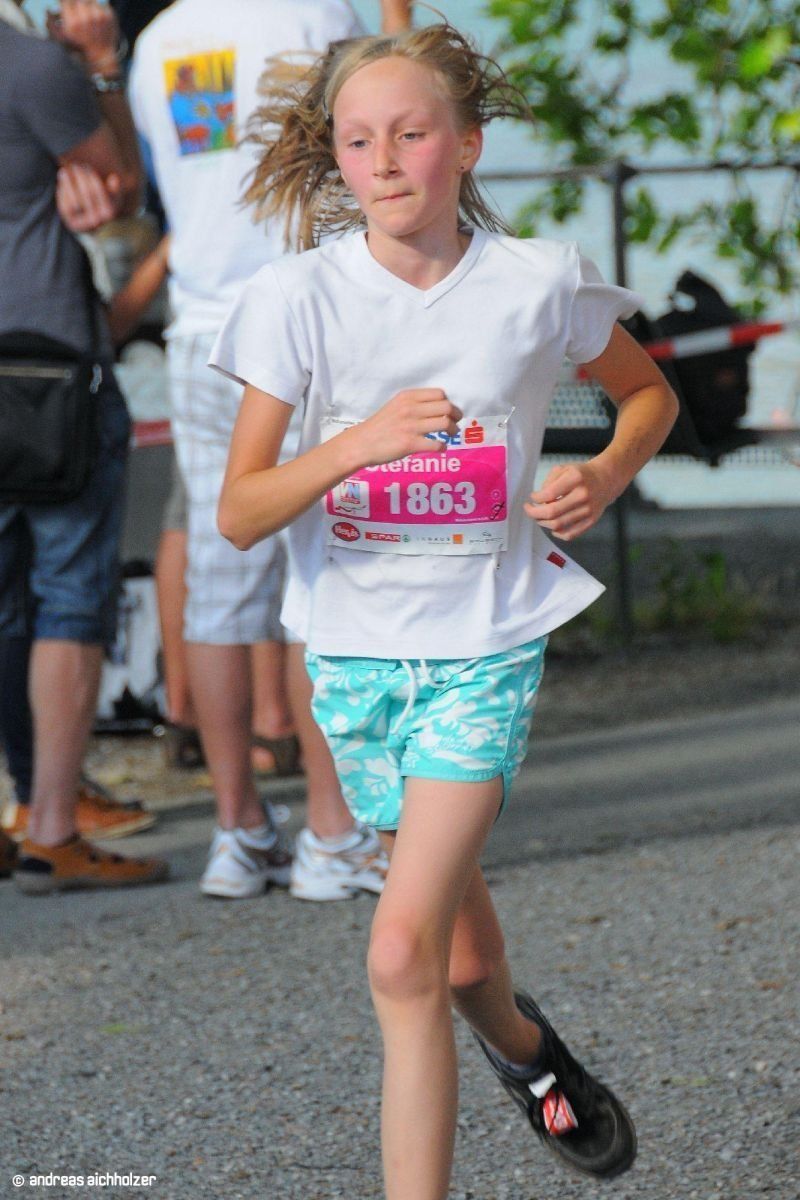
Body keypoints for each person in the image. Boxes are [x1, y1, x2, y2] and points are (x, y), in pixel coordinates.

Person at [210, 21, 679, 1196]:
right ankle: (530, 1056)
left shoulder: (534, 282)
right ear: (335, 157)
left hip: (483, 646)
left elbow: (646, 396)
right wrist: (356, 443)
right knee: (459, 961)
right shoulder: (296, 297)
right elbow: (239, 512)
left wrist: (602, 472)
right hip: (353, 660)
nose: (382, 161)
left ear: (464, 144)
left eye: (410, 134)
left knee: (395, 949)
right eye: (356, 140)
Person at [128, 0, 408, 901]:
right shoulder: (310, 12)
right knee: (320, 570)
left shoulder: (158, 41)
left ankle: (237, 831)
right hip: (302, 316)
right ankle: (331, 833)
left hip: (202, 329)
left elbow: (165, 190)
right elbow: (386, 114)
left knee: (221, 583)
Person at [0, 0, 168, 892]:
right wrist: (101, 68)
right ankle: (54, 828)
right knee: (67, 595)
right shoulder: (31, 66)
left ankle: (18, 811)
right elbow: (120, 189)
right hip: (44, 363)